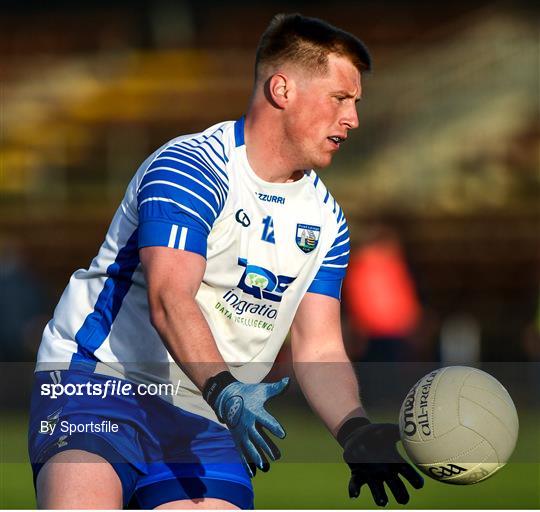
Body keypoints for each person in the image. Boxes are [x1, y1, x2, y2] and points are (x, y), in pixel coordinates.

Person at [28, 13, 423, 509]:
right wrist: (227, 391)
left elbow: (318, 346)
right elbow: (171, 299)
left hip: (209, 410)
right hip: (101, 382)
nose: (353, 119)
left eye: (356, 104)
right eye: (340, 99)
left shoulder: (327, 220)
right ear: (283, 89)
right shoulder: (191, 168)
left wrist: (354, 430)